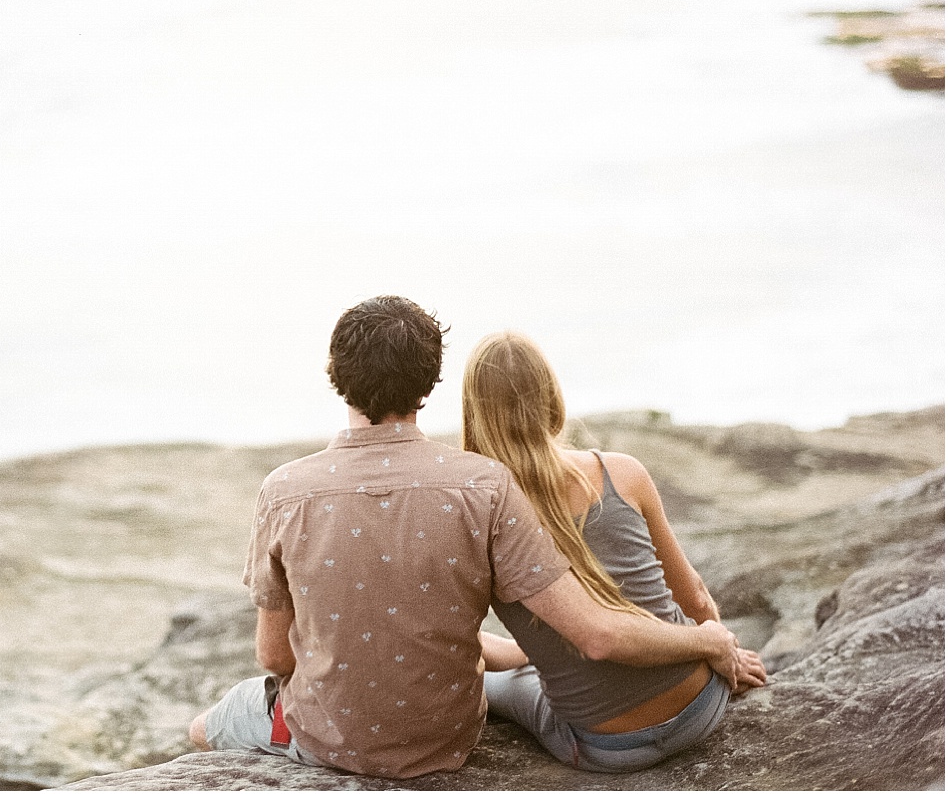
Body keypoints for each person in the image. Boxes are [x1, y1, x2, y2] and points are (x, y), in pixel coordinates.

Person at [188, 296, 751, 780]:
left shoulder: (284, 491)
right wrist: (711, 639)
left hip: (337, 740)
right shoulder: (482, 486)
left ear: (336, 373)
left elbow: (272, 655)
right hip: (450, 737)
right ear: (431, 382)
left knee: (208, 723)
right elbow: (594, 623)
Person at [463, 330, 766, 773]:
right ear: (551, 398)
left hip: (608, 747)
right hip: (703, 704)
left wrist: (536, 651)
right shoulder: (621, 473)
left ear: (475, 415)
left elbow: (459, 642)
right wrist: (728, 659)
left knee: (501, 683)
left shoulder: (479, 518)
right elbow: (695, 596)